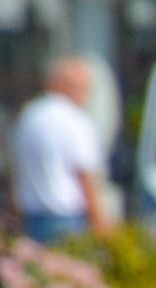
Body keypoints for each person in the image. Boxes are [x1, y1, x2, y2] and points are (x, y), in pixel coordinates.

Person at [9, 56, 108, 244]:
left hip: (31, 217)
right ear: (65, 86)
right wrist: (99, 223)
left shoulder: (28, 116)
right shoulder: (75, 120)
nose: (85, 95)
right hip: (67, 218)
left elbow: (15, 170)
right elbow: (85, 176)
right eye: (83, 88)